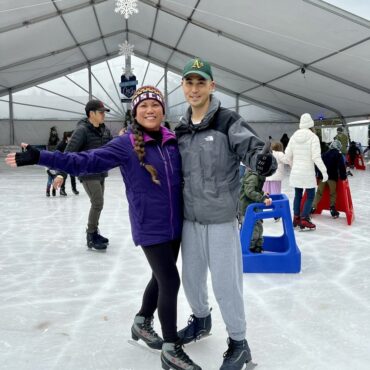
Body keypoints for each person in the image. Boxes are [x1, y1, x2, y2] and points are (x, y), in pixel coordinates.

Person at [6, 86, 201, 370]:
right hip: (149, 225)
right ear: (135, 112)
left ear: (162, 110)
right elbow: (83, 160)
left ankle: (141, 322)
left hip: (175, 224)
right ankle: (171, 349)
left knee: (160, 278)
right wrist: (41, 157)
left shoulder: (173, 141)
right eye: (143, 106)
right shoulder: (125, 145)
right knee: (170, 281)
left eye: (155, 105)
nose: (150, 110)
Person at [175, 57, 276, 370]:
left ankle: (239, 342)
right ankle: (201, 320)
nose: (194, 88)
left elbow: (253, 149)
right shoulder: (178, 128)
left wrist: (262, 161)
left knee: (226, 284)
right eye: (189, 82)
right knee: (191, 280)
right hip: (189, 219)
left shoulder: (228, 121)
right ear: (183, 86)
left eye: (200, 82)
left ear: (211, 86)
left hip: (220, 219)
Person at [53, 99, 113, 251]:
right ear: (91, 114)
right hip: (87, 173)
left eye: (104, 112)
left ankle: (94, 232)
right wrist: (61, 174)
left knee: (99, 204)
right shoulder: (82, 131)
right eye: (101, 112)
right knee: (98, 202)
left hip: (101, 172)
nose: (103, 115)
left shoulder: (104, 129)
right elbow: (68, 153)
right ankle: (91, 235)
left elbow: (112, 148)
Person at [284, 113, 328, 230]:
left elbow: (287, 155)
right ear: (311, 124)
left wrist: (294, 165)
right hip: (307, 172)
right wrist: (324, 172)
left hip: (296, 172)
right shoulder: (313, 137)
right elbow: (316, 157)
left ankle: (296, 217)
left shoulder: (293, 137)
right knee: (310, 196)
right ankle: (304, 218)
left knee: (298, 195)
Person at [311, 140, 347, 218]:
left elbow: (318, 164)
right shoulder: (338, 154)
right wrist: (343, 176)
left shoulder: (324, 154)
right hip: (332, 177)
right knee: (333, 193)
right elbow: (341, 166)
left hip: (322, 177)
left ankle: (313, 206)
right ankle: (332, 208)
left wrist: (317, 174)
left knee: (319, 193)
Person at [240, 168, 272, 253]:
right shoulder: (253, 177)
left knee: (258, 226)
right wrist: (262, 198)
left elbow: (255, 189)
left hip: (253, 207)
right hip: (247, 208)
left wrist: (262, 193)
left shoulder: (258, 176)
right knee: (253, 228)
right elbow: (249, 191)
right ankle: (251, 247)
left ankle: (258, 245)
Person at [55, 131, 79, 196]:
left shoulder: (73, 143)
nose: (71, 138)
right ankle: (62, 190)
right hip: (64, 163)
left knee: (73, 176)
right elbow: (57, 152)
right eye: (70, 137)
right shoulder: (61, 144)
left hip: (71, 162)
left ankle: (74, 189)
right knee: (63, 176)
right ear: (66, 137)